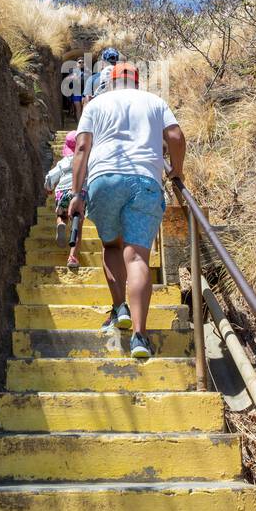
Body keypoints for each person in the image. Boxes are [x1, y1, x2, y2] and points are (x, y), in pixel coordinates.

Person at [69, 62, 186, 357]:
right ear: (136, 81)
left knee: (111, 246)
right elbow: (175, 136)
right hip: (145, 181)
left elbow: (81, 148)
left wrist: (75, 194)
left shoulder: (96, 104)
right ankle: (139, 336)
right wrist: (177, 172)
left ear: (110, 82)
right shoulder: (154, 101)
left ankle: (119, 306)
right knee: (136, 257)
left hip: (103, 180)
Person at [44, 130, 85, 268]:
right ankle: (72, 257)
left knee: (61, 215)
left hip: (62, 192)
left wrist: (49, 188)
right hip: (79, 193)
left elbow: (50, 177)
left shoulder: (63, 162)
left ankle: (61, 223)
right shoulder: (85, 160)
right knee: (77, 226)